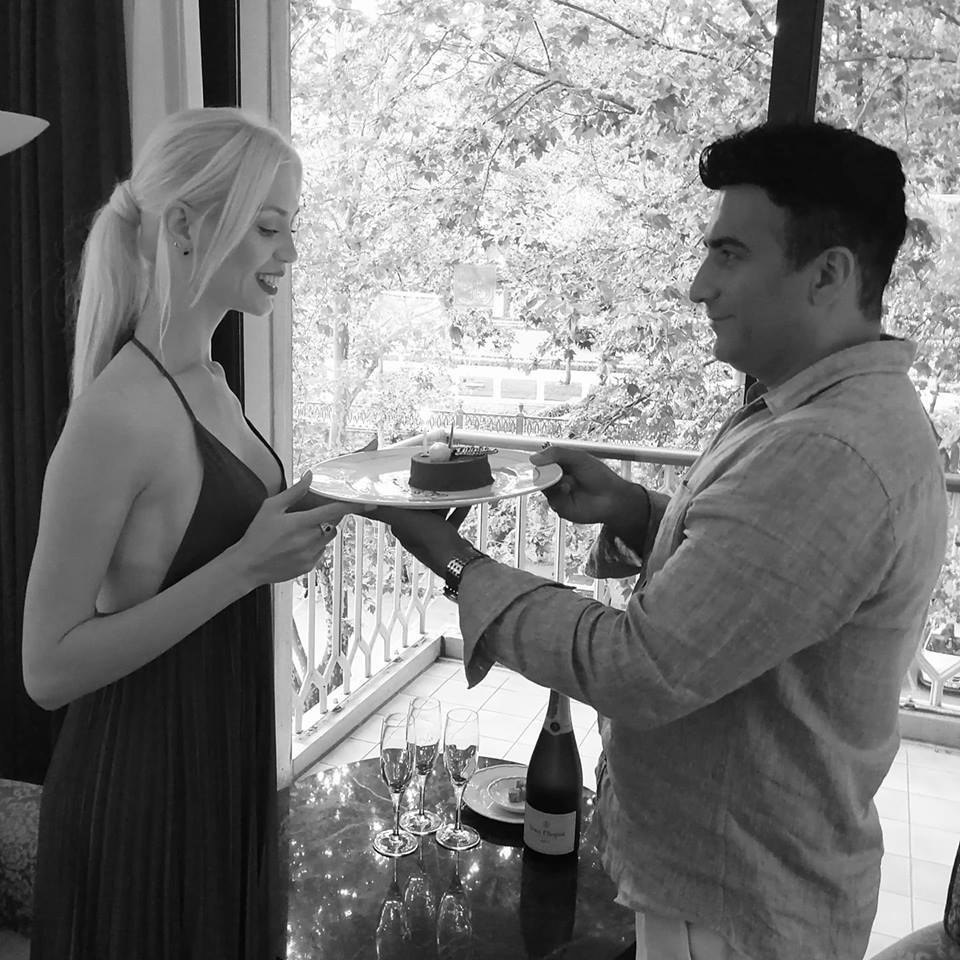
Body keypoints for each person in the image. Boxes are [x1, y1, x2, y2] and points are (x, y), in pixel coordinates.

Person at [375, 122, 948, 960]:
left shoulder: (829, 449)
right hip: (732, 886)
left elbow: (641, 669)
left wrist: (456, 561)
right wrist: (637, 512)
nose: (697, 286)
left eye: (730, 254)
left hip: (737, 910)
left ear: (828, 274)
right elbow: (759, 584)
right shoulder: (820, 414)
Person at [21, 108, 355, 960]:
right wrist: (246, 566)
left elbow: (219, 541)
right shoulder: (118, 413)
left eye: (293, 226)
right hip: (141, 787)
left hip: (221, 758)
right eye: (269, 227)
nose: (289, 252)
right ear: (183, 227)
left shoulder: (209, 377)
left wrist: (352, 496)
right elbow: (47, 669)